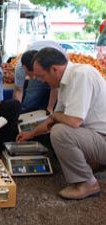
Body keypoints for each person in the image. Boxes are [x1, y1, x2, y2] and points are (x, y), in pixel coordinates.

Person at [17, 47, 106, 200]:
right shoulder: (66, 82)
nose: (40, 81)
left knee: (60, 132)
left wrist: (56, 116)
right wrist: (30, 134)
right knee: (58, 126)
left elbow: (73, 121)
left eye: (41, 76)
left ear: (54, 69)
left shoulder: (81, 75)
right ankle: (95, 164)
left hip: (102, 137)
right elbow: (53, 119)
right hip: (97, 136)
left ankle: (87, 183)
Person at [13, 40, 66, 114]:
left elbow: (55, 87)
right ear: (25, 69)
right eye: (31, 75)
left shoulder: (52, 66)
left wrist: (50, 109)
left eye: (38, 76)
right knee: (32, 95)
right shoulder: (20, 68)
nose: (35, 78)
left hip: (56, 57)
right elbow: (18, 90)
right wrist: (16, 112)